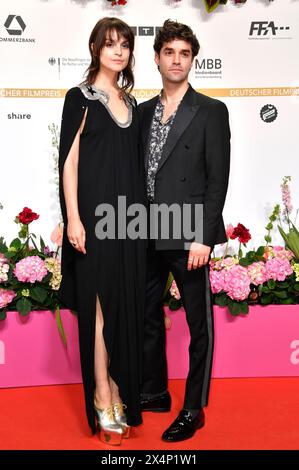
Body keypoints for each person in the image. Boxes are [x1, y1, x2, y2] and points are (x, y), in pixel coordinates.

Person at [138, 19, 231, 442]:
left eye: (185, 53)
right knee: (146, 317)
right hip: (143, 230)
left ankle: (194, 408)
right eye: (170, 52)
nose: (177, 60)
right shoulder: (140, 113)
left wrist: (204, 236)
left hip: (189, 232)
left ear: (193, 59)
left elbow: (218, 180)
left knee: (198, 325)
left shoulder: (211, 110)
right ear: (157, 58)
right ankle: (154, 392)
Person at [57, 17, 146, 445]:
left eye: (124, 45)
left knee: (122, 305)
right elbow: (69, 162)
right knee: (97, 308)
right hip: (93, 220)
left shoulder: (130, 102)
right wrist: (73, 217)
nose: (118, 51)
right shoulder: (80, 98)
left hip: (127, 223)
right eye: (110, 44)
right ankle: (102, 392)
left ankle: (117, 385)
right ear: (95, 48)